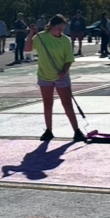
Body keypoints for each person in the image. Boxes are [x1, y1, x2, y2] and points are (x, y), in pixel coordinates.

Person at [27, 14, 84, 143]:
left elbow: (69, 59)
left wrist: (64, 71)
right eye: (59, 28)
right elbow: (28, 49)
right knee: (47, 103)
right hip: (45, 75)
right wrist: (31, 34)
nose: (61, 31)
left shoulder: (65, 40)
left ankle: (76, 130)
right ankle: (48, 130)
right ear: (51, 26)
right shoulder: (41, 37)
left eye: (63, 29)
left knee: (67, 103)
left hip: (61, 76)